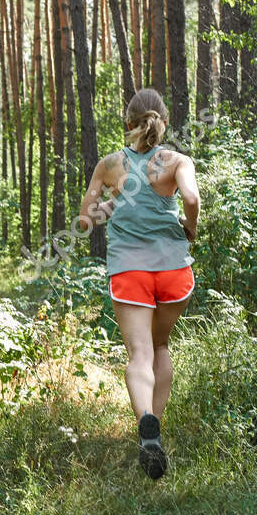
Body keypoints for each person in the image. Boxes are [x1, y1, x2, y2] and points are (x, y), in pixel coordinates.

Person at [78, 88, 200, 479]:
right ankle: (154, 431)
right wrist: (190, 228)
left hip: (129, 269)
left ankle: (145, 420)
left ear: (128, 124)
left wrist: (113, 204)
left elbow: (87, 217)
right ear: (163, 122)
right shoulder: (177, 160)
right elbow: (192, 199)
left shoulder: (111, 164)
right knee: (161, 345)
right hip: (173, 269)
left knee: (139, 352)